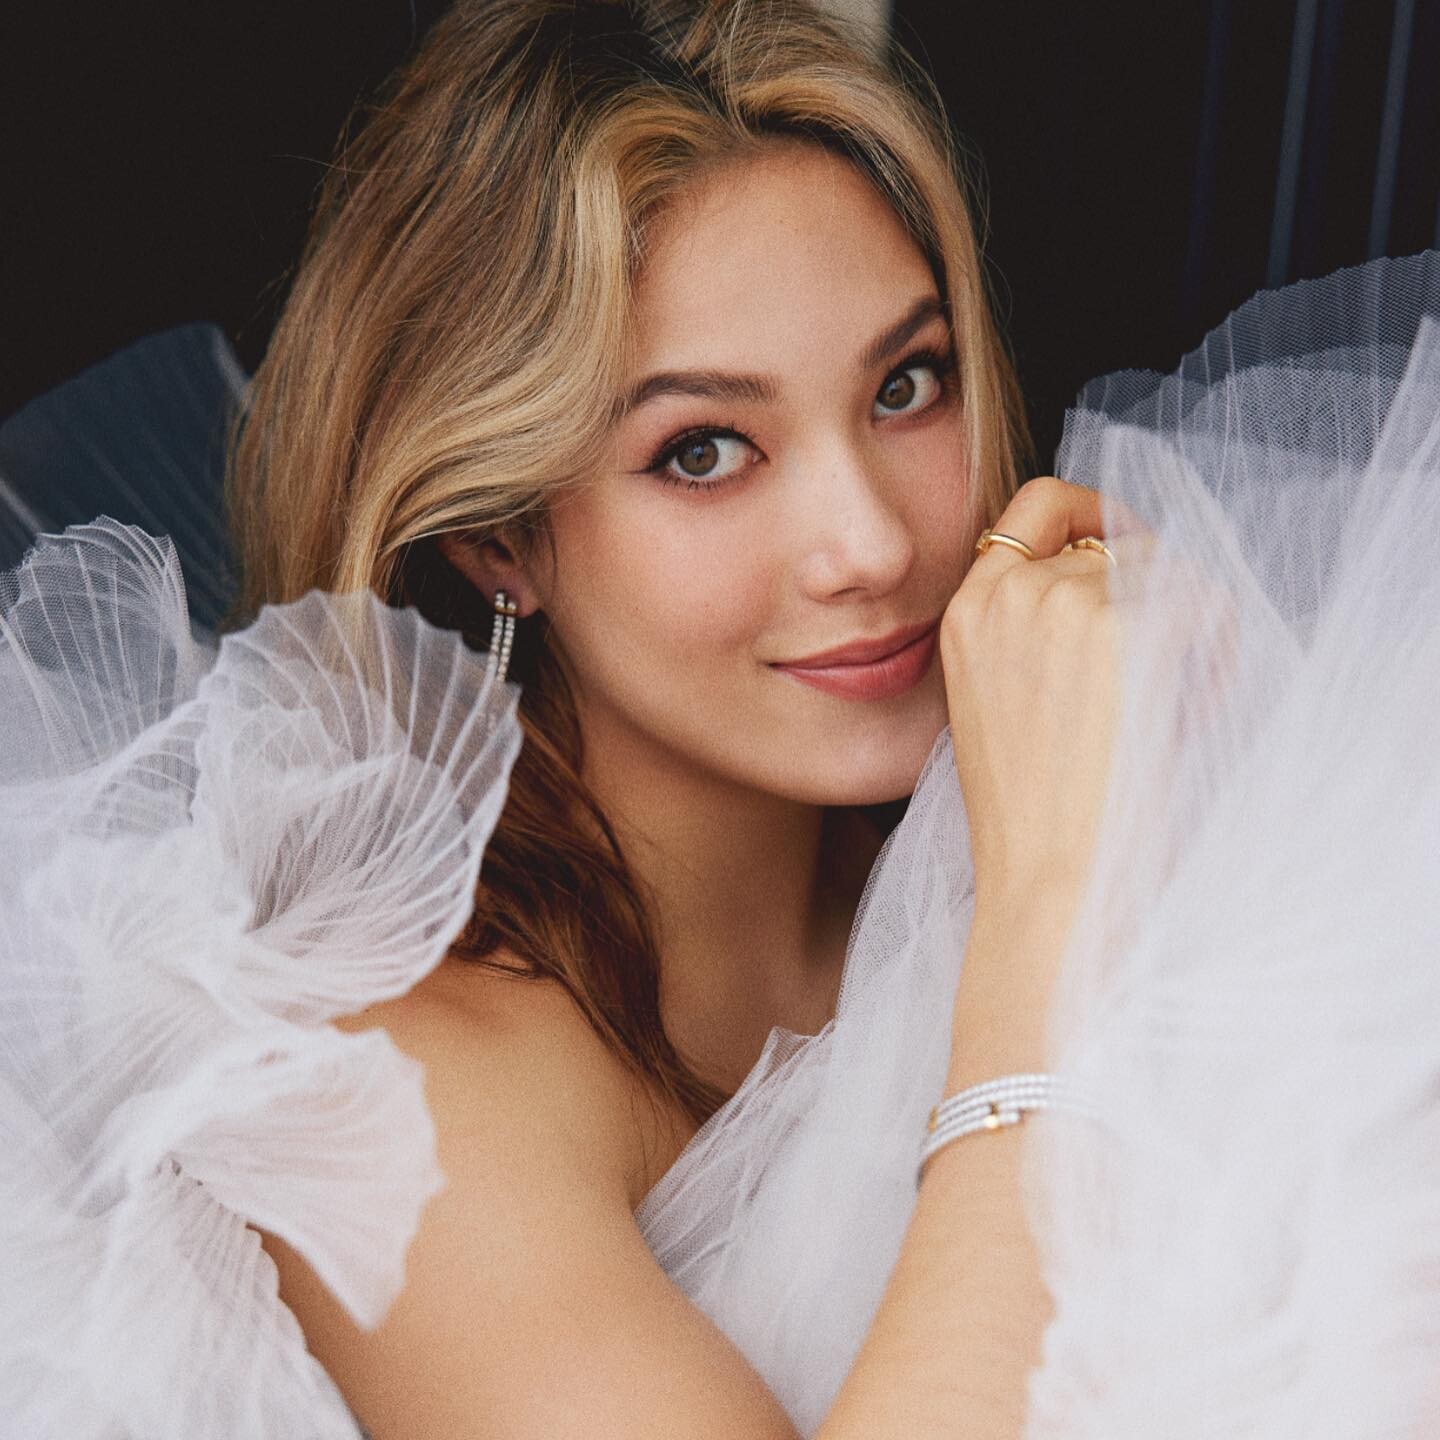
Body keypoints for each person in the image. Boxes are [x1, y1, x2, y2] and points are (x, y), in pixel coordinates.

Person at [5, 2, 1440, 1438]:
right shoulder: (386, 1090)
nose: (870, 543)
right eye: (703, 451)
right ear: (499, 540)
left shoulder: (1084, 801)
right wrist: (1049, 924)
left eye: (906, 385)